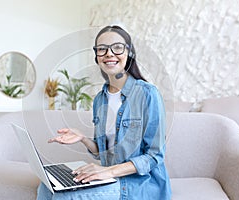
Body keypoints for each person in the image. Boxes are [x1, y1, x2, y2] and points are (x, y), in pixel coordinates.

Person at [37, 25, 172, 200]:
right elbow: (104, 153)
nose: (109, 54)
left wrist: (107, 172)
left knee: (65, 197)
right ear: (97, 56)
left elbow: (154, 156)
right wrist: (83, 138)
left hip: (140, 184)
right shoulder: (100, 100)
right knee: (47, 186)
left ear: (129, 53)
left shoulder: (148, 94)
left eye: (117, 47)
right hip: (111, 177)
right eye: (102, 49)